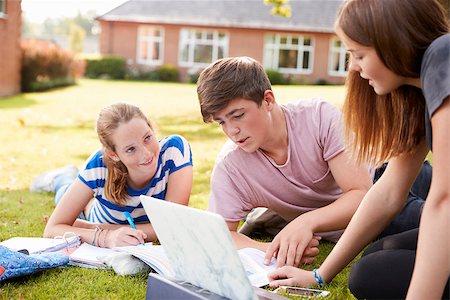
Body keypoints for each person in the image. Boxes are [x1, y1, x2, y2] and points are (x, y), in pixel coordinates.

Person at [268, 0, 450, 299]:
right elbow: (389, 191)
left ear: (393, 41)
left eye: (358, 54)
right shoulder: (419, 93)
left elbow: (443, 202)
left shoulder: (443, 56)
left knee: (373, 273)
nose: (353, 66)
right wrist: (319, 275)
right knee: (380, 252)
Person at [197, 56, 376, 267]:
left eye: (237, 115)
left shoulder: (319, 118)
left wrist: (305, 222)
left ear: (268, 100)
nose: (231, 131)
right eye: (221, 122)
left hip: (381, 185)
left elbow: (362, 194)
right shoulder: (231, 166)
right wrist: (273, 249)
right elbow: (219, 234)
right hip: (323, 226)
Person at [33, 102, 193, 248]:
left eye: (147, 138)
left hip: (100, 220)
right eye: (130, 149)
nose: (146, 154)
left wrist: (94, 228)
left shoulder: (174, 151)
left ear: (151, 128)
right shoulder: (98, 166)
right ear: (113, 154)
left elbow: (173, 227)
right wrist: (107, 237)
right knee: (66, 190)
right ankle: (62, 178)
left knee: (86, 199)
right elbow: (52, 229)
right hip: (95, 213)